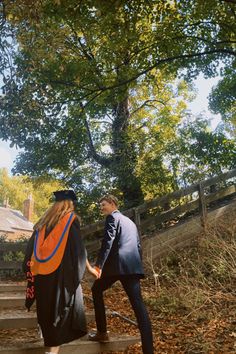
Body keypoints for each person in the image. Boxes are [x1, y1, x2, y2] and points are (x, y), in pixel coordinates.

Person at [22, 189, 98, 354]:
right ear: (70, 204)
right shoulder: (71, 221)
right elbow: (78, 251)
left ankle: (44, 334)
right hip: (59, 277)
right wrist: (83, 272)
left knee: (45, 309)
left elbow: (30, 250)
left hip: (41, 275)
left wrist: (30, 270)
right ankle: (52, 351)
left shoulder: (42, 223)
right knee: (58, 313)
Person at [88, 194, 154, 354]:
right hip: (132, 267)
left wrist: (98, 266)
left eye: (103, 205)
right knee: (139, 308)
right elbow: (138, 245)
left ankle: (102, 333)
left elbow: (108, 242)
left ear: (112, 203)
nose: (101, 208)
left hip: (116, 267)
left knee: (96, 290)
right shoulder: (130, 222)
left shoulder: (112, 218)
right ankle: (149, 351)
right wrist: (138, 267)